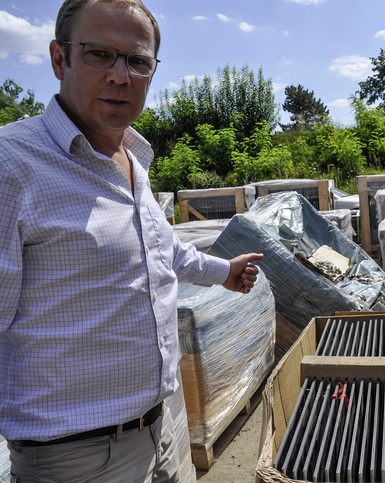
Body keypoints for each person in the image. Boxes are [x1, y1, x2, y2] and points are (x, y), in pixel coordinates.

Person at [0, 0, 263, 481]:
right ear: (60, 59)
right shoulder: (12, 166)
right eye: (100, 54)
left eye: (138, 61)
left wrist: (223, 272)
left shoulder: (132, 161)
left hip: (161, 428)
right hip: (73, 458)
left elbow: (162, 250)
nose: (122, 76)